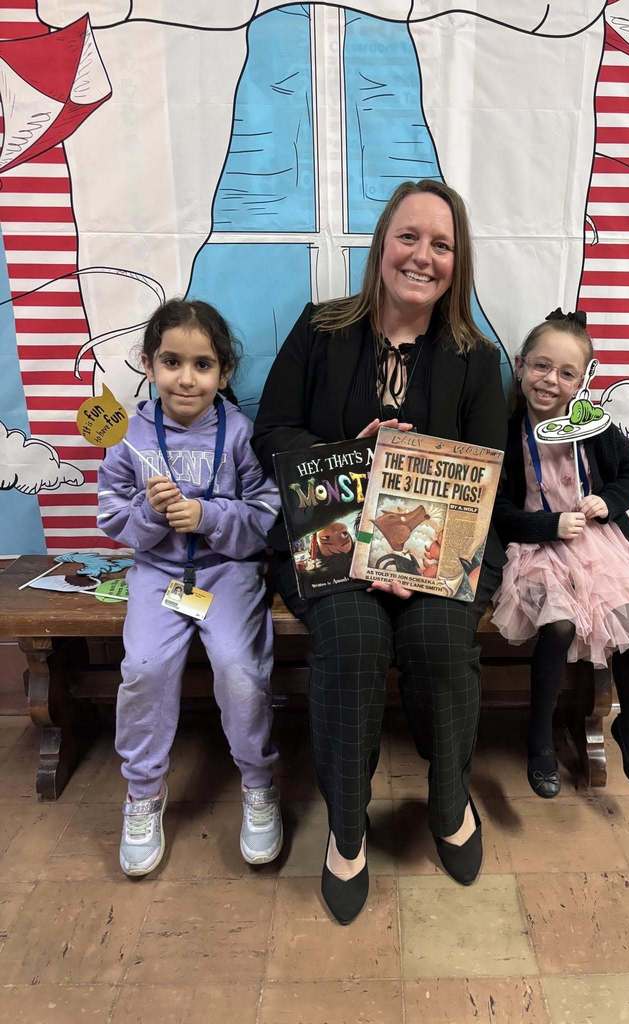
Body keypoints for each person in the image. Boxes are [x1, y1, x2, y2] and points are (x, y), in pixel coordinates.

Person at [252, 179, 507, 923]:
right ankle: (347, 827)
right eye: (409, 237)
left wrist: (412, 558)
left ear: (457, 263)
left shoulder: (474, 357)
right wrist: (348, 455)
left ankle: (450, 799)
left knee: (437, 638)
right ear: (382, 245)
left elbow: (483, 471)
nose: (421, 256)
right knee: (354, 638)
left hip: (435, 545)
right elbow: (273, 432)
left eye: (441, 243)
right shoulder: (322, 328)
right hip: (329, 538)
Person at [97, 299, 281, 876]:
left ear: (224, 373)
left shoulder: (241, 433)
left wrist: (206, 517)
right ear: (149, 364)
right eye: (172, 361)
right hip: (158, 576)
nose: (186, 378)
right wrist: (150, 516)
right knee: (145, 667)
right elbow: (111, 516)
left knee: (238, 667)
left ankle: (258, 782)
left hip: (229, 575)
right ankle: (143, 792)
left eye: (203, 365)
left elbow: (265, 513)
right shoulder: (128, 435)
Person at [492, 309, 629, 798]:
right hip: (537, 549)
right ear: (519, 365)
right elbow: (498, 509)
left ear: (582, 381)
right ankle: (539, 739)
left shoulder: (593, 427)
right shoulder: (505, 431)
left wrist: (608, 501)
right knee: (557, 626)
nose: (550, 380)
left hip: (598, 548)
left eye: (566, 372)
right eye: (540, 366)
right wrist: (548, 524)